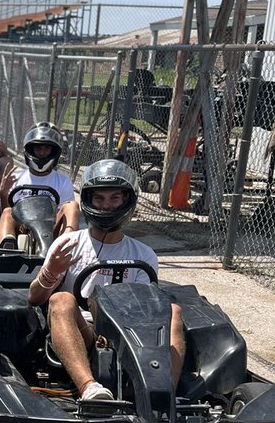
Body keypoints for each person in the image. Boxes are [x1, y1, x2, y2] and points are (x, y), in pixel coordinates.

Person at [27, 159, 184, 403]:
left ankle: (162, 395)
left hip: (129, 335)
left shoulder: (144, 255)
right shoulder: (67, 245)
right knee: (61, 299)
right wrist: (51, 272)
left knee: (172, 311)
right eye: (99, 199)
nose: (106, 206)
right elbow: (34, 298)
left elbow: (146, 311)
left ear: (127, 201)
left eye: (114, 199)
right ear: (88, 201)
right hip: (82, 331)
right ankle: (90, 388)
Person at [0, 123, 79, 250]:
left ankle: (67, 245)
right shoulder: (15, 177)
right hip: (22, 228)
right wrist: (3, 194)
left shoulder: (63, 181)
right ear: (29, 150)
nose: (42, 153)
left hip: (51, 230)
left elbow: (64, 213)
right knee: (7, 212)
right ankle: (7, 248)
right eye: (38, 149)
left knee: (72, 206)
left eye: (46, 149)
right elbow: (6, 213)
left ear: (54, 151)